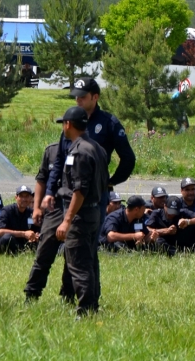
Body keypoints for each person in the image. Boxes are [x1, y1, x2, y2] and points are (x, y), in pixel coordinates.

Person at [42, 78, 135, 306]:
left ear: (95, 97)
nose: (78, 100)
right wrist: (50, 191)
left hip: (93, 197)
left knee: (88, 247)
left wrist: (110, 182)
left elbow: (128, 158)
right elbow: (59, 159)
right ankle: (67, 293)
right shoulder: (72, 120)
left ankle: (90, 299)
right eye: (76, 96)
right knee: (71, 245)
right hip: (67, 195)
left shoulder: (109, 123)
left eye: (83, 96)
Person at [53, 106, 107, 317]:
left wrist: (67, 220)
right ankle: (92, 305)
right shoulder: (97, 147)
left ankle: (85, 310)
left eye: (64, 123)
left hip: (80, 214)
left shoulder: (78, 151)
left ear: (68, 124)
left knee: (78, 263)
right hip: (94, 212)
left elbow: (79, 189)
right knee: (90, 259)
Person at [24, 142, 75, 302]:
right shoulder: (52, 150)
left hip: (77, 204)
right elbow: (41, 180)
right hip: (54, 206)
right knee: (44, 252)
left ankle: (68, 295)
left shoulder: (86, 149)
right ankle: (31, 295)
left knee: (73, 255)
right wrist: (37, 208)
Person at [0, 185, 38, 255]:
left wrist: (35, 236)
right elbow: (0, 232)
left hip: (20, 244)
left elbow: (38, 230)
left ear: (31, 198)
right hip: (4, 243)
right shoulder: (7, 210)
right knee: (7, 237)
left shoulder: (31, 212)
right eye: (21, 196)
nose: (24, 199)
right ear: (16, 197)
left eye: (26, 196)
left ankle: (23, 252)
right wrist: (24, 234)